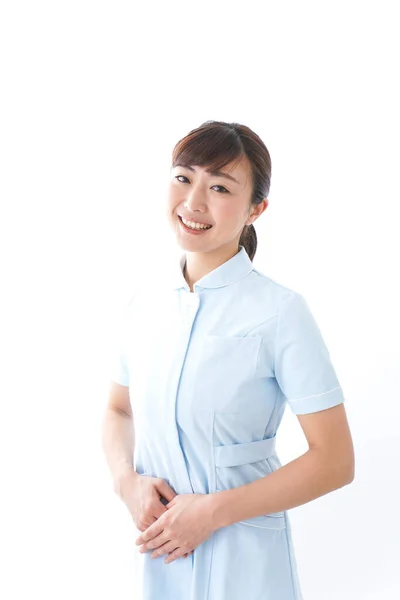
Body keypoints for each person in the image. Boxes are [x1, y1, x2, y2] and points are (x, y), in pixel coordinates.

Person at [102, 120, 355, 600]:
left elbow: (335, 460)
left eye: (219, 186)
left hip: (243, 555)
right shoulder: (145, 304)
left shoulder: (280, 311)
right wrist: (126, 482)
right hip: (155, 549)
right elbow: (117, 410)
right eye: (184, 177)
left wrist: (213, 512)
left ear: (256, 209)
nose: (194, 201)